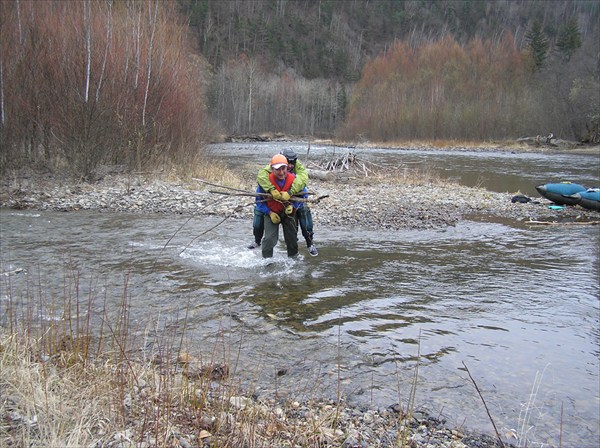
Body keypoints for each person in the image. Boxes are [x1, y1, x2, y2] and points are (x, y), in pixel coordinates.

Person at [249, 148, 318, 256]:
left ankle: (309, 243)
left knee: (303, 214)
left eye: (290, 165)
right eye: (279, 169)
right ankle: (257, 241)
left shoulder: (296, 169)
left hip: (290, 205)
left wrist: (292, 202)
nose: (289, 166)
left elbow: (303, 185)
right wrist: (270, 209)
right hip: (272, 208)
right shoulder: (271, 167)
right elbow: (261, 181)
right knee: (259, 218)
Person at [255, 154, 304, 258]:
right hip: (271, 213)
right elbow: (259, 202)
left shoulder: (294, 180)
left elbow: (303, 197)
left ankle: (293, 260)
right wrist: (269, 213)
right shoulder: (265, 182)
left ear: (287, 168)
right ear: (272, 169)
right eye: (278, 170)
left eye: (283, 168)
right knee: (269, 239)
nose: (281, 172)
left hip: (289, 214)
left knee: (292, 239)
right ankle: (267, 262)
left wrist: (293, 206)